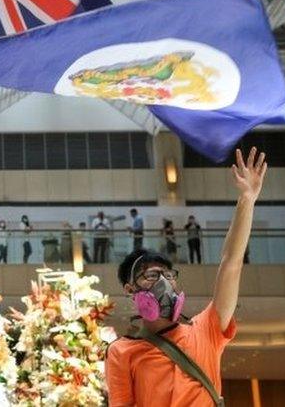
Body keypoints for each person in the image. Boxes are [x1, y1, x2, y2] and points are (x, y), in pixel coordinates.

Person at [106, 147, 266, 407]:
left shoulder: (207, 329)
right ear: (129, 288)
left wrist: (247, 199)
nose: (163, 282)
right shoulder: (122, 351)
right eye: (151, 275)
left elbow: (231, 264)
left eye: (168, 275)